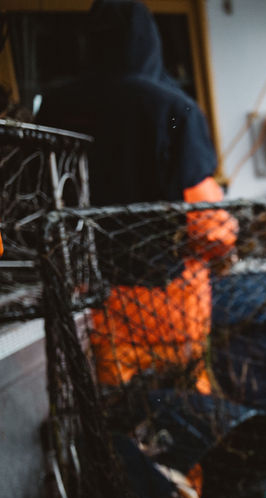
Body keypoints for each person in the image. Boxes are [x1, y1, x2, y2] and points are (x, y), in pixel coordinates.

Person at [36, 0, 237, 393]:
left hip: (91, 308)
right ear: (150, 40)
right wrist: (225, 244)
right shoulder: (174, 109)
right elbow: (210, 227)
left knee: (120, 427)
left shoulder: (56, 108)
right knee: (186, 421)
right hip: (171, 307)